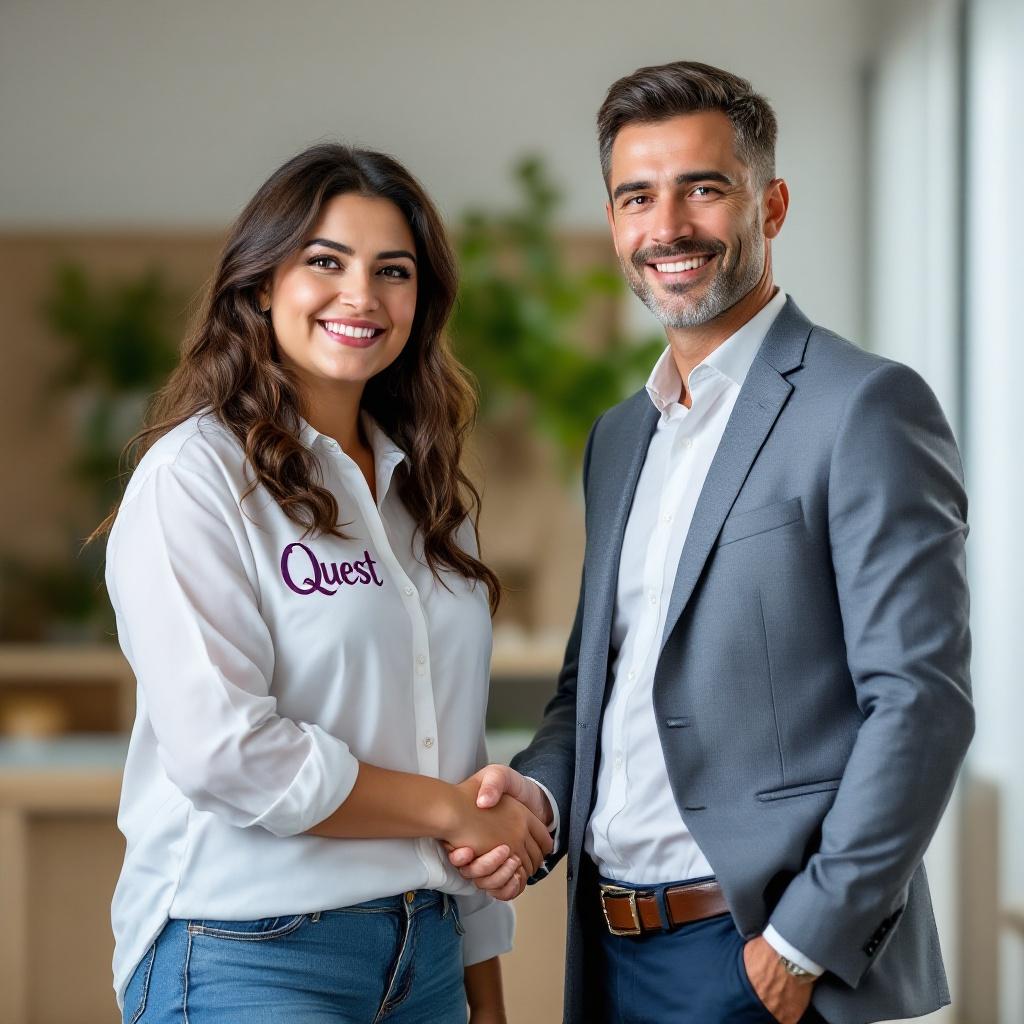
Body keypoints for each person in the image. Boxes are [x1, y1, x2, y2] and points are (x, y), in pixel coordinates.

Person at [450, 61, 973, 1024]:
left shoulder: (863, 406)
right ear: (614, 225)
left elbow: (921, 704)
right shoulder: (620, 437)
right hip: (610, 957)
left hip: (766, 964)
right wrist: (534, 797)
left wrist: (801, 945)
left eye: (703, 187)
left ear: (769, 205)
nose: (668, 227)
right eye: (636, 197)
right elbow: (596, 689)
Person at [98, 143, 552, 1024]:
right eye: (325, 261)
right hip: (244, 952)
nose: (362, 296)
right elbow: (226, 751)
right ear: (262, 284)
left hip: (426, 956)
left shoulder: (427, 496)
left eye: (394, 271)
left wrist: (482, 994)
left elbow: (450, 750)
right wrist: (449, 813)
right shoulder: (195, 476)